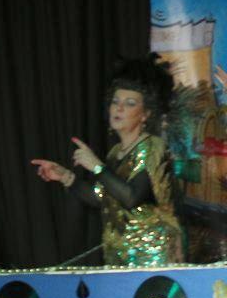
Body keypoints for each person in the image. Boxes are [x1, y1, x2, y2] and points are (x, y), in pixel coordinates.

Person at [31, 54, 183, 266]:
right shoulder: (114, 153)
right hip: (118, 254)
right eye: (115, 102)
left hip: (151, 255)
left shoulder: (152, 146)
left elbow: (132, 197)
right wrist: (66, 177)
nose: (119, 108)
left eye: (130, 103)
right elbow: (102, 198)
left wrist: (96, 166)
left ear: (145, 114)